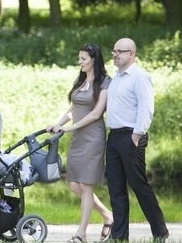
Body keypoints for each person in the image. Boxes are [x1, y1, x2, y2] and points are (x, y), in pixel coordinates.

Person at [47, 43, 113, 243]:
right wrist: (58, 125)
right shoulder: (81, 80)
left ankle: (81, 234)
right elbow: (73, 109)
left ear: (94, 59)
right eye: (79, 58)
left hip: (93, 137)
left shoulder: (105, 82)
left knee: (85, 184)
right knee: (74, 185)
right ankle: (108, 216)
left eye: (83, 58)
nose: (80, 62)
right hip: (78, 137)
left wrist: (70, 128)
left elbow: (96, 113)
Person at [105, 38, 169, 242]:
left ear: (131, 53)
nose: (115, 54)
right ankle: (119, 235)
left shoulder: (140, 77)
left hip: (131, 137)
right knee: (115, 188)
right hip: (114, 138)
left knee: (139, 185)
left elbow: (146, 108)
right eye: (114, 51)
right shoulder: (116, 77)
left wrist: (137, 134)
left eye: (120, 51)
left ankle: (160, 232)